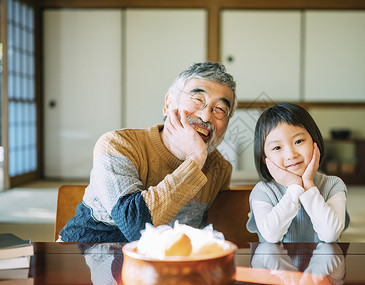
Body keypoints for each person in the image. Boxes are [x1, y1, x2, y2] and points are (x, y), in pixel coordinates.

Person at [58, 62, 237, 242]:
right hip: (80, 258)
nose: (206, 116)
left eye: (220, 109)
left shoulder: (219, 169)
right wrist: (195, 160)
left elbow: (206, 236)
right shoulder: (117, 144)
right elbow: (136, 226)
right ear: (168, 103)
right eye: (198, 100)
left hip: (159, 266)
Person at [246, 103, 349, 243]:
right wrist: (295, 187)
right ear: (265, 159)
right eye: (277, 147)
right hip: (275, 264)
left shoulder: (333, 185)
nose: (291, 154)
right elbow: (271, 236)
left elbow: (330, 235)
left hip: (323, 264)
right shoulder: (263, 191)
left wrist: (308, 185)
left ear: (315, 142)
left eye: (299, 141)